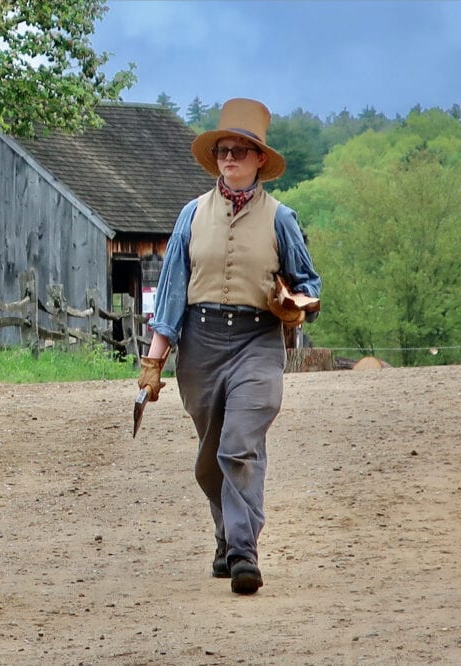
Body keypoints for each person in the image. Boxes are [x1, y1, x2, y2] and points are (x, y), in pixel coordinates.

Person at [137, 98, 321, 595]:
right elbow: (174, 288)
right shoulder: (191, 215)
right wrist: (155, 359)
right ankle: (225, 533)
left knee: (239, 444)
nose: (230, 159)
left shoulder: (282, 218)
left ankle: (243, 551)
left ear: (260, 158)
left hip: (258, 341)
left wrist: (295, 303)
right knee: (210, 456)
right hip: (200, 343)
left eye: (241, 151)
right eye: (223, 150)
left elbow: (310, 284)